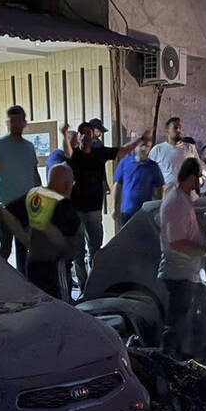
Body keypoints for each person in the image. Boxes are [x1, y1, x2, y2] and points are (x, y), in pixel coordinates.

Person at [63, 120, 147, 290]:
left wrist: (140, 140)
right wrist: (64, 135)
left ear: (93, 136)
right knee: (78, 253)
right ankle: (84, 288)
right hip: (76, 210)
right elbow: (68, 151)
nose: (86, 136)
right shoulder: (75, 155)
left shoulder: (99, 153)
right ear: (78, 136)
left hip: (94, 209)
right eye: (83, 133)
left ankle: (94, 286)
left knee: (96, 251)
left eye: (89, 133)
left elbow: (123, 150)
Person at [159, 157, 206, 357]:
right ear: (192, 177)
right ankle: (167, 363)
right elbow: (176, 241)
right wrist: (203, 249)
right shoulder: (176, 201)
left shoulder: (184, 198)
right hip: (179, 273)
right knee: (176, 325)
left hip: (190, 273)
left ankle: (183, 360)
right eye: (201, 178)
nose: (202, 182)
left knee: (190, 323)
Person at [0, 105, 40, 274]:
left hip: (26, 203)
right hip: (7, 205)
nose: (16, 124)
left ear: (24, 123)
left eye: (19, 121)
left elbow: (34, 173)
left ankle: (24, 285)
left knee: (25, 247)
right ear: (8, 123)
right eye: (12, 121)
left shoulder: (29, 147)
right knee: (5, 248)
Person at [17, 164, 81, 299]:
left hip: (33, 262)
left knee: (39, 302)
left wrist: (26, 239)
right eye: (72, 183)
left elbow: (6, 213)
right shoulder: (65, 207)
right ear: (67, 185)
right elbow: (66, 244)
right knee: (62, 306)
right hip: (56, 266)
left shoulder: (33, 196)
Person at [113, 140, 165, 230]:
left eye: (147, 146)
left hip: (145, 212)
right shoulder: (125, 163)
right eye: (142, 145)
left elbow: (159, 189)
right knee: (127, 240)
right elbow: (117, 186)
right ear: (135, 147)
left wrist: (158, 208)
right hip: (127, 211)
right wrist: (115, 207)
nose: (144, 149)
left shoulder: (153, 166)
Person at [149, 117, 199, 185]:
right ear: (167, 130)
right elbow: (149, 173)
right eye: (175, 128)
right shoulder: (157, 150)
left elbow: (198, 169)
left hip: (186, 193)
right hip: (166, 193)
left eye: (180, 128)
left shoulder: (190, 148)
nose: (179, 130)